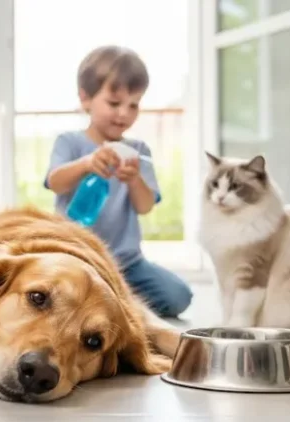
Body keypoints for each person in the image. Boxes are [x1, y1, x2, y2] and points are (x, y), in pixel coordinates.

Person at [44, 45, 193, 318]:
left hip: (127, 264)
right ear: (85, 98)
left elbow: (145, 206)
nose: (124, 113)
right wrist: (87, 163)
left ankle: (112, 302)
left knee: (179, 297)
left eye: (133, 105)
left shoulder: (138, 151)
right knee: (56, 295)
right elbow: (55, 182)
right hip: (77, 256)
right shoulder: (70, 142)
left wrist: (134, 179)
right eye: (114, 103)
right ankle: (113, 303)